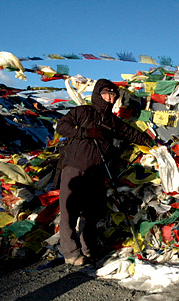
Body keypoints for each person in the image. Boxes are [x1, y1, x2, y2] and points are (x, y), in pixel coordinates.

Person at [56, 78, 153, 265]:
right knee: (69, 211)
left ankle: (88, 248)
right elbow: (62, 126)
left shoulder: (113, 122)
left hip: (98, 173)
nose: (109, 98)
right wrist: (85, 132)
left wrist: (152, 143)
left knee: (93, 213)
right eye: (106, 94)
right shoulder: (82, 112)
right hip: (75, 169)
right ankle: (71, 253)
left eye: (113, 95)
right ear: (97, 94)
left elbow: (132, 134)